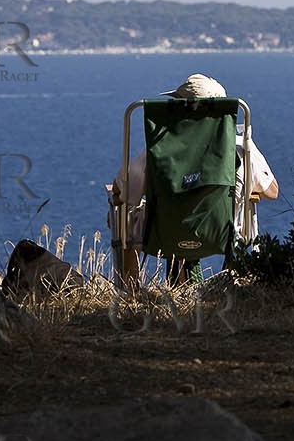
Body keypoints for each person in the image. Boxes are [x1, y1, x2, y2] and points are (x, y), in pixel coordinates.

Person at [108, 74, 278, 285]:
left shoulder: (159, 150)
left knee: (126, 219)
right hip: (223, 231)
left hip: (166, 232)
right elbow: (272, 191)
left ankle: (131, 292)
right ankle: (228, 285)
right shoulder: (241, 149)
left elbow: (122, 194)